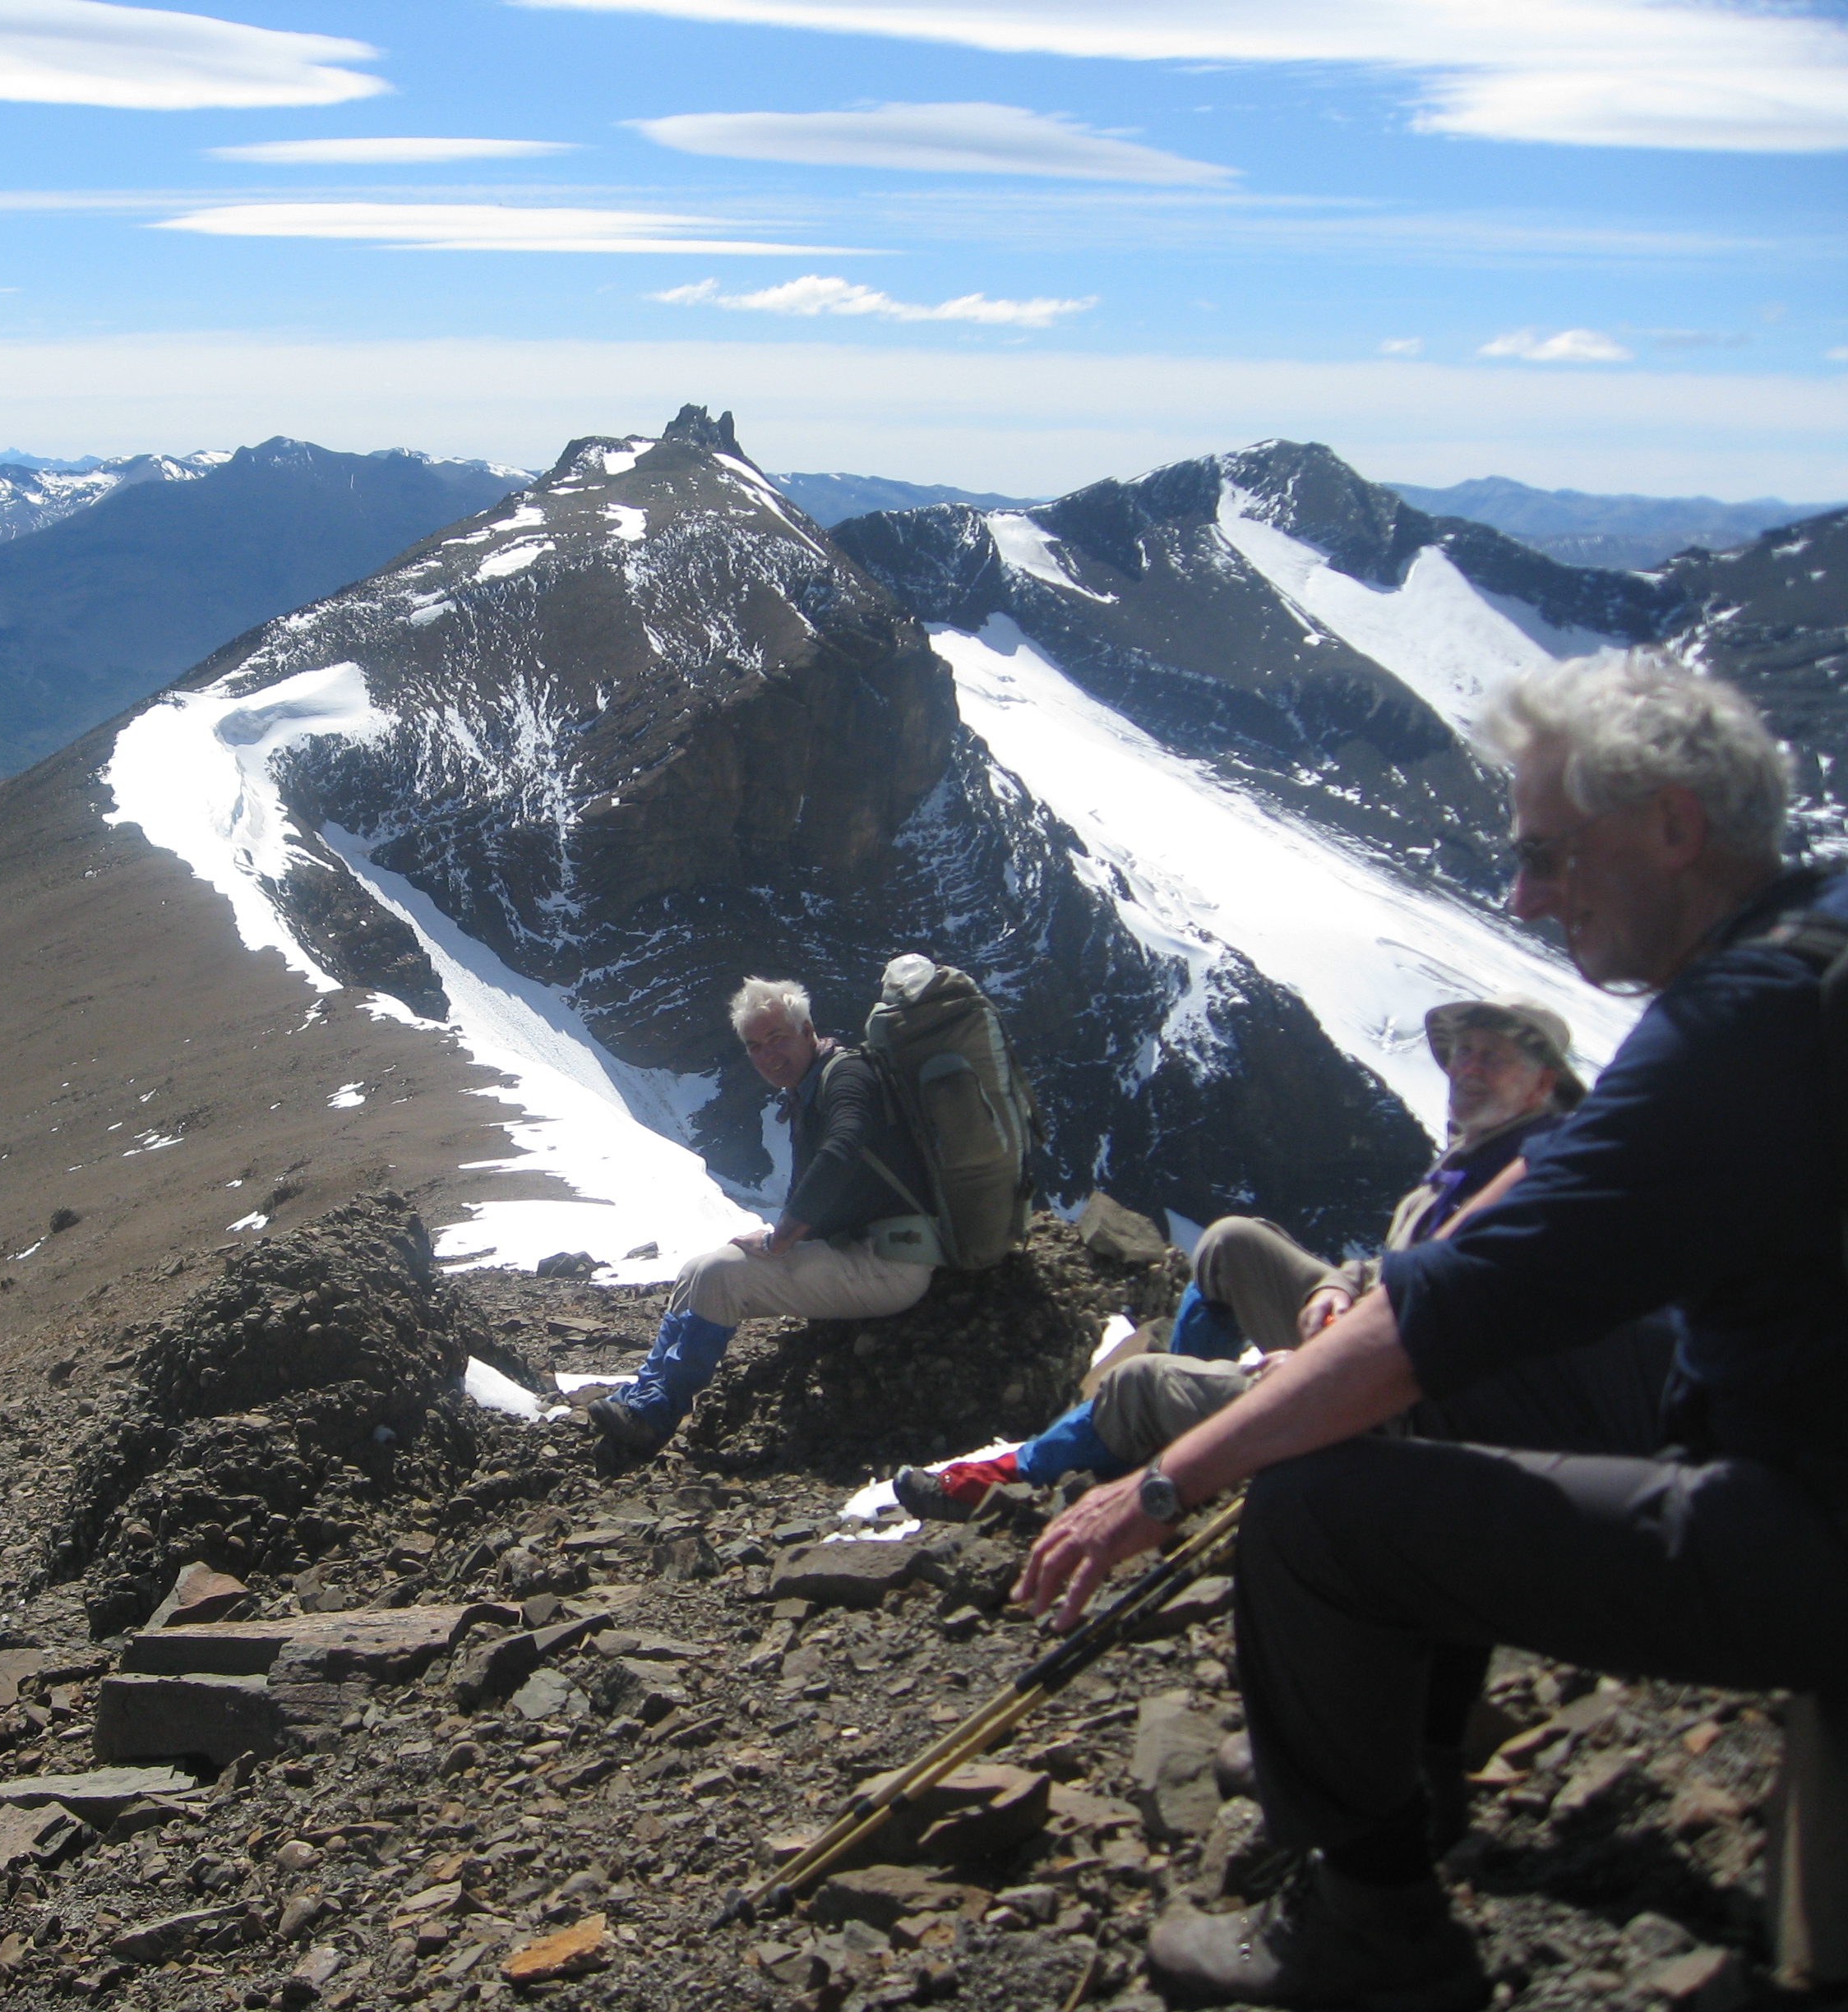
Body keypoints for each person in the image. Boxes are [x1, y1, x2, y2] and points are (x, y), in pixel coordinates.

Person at [1015, 650, 1848, 2011]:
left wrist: (1160, 1485)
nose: (1520, 896)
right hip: (1775, 1428)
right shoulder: (1799, 947)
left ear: (1671, 828)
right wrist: (1395, 1278)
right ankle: (1411, 1741)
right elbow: (1553, 1183)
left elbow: (1423, 1333)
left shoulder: (1737, 1024)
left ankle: (1371, 1924)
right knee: (1428, 1385)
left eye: (1543, 855)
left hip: (1801, 1519)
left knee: (1313, 1505)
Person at [893, 995, 1586, 1521]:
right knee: (1229, 1244)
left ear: (1542, 1082)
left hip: (1396, 1408)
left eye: (1489, 1057)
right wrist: (1341, 1288)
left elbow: (1453, 1336)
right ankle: (1199, 1395)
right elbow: (1398, 1272)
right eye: (1461, 1052)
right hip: (1371, 1344)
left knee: (1137, 1384)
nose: (1464, 1069)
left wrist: (1321, 1365)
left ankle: (1013, 1476)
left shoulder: (1531, 1182)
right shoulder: (1475, 1160)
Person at [590, 976, 940, 1453]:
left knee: (721, 1275)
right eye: (755, 1046)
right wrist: (781, 1236)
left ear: (807, 1029)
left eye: (777, 1038)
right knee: (696, 1269)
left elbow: (843, 1149)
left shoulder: (847, 1076)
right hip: (864, 1251)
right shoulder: (811, 1088)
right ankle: (645, 1392)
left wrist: (780, 1242)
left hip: (893, 1263)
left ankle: (655, 1416)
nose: (767, 1055)